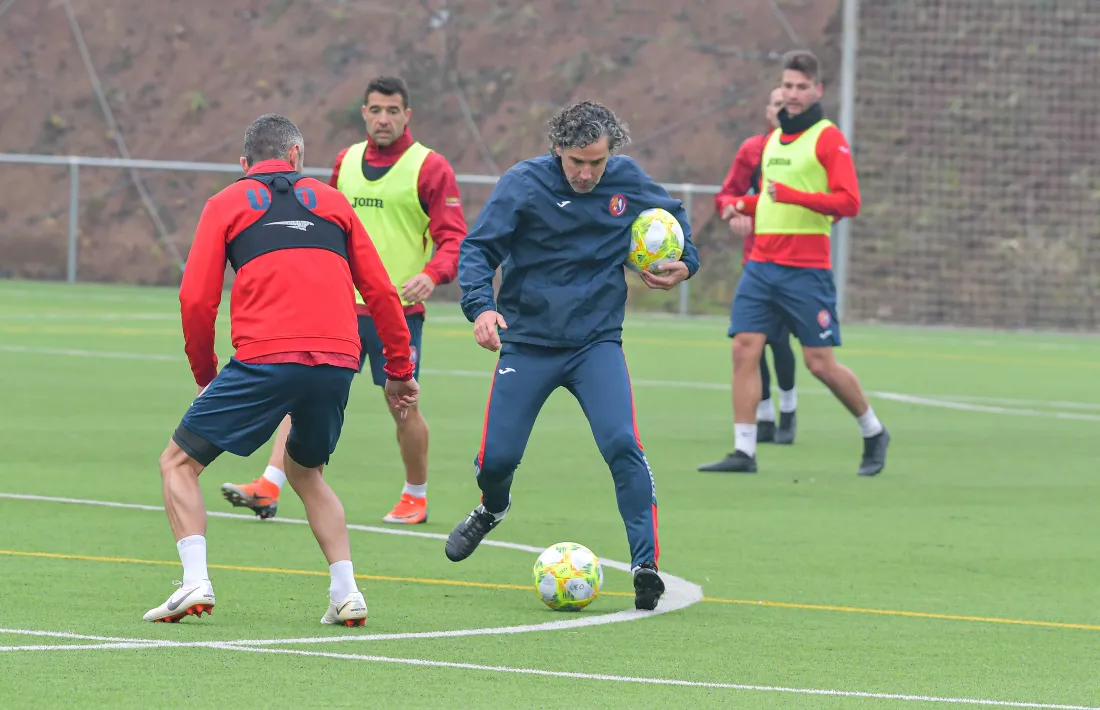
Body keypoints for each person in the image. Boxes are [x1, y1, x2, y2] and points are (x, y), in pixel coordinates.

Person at [145, 114, 419, 625]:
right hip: (337, 360)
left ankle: (195, 582)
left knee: (178, 464)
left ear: (244, 165)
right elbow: (381, 292)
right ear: (296, 157)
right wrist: (399, 368)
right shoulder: (334, 202)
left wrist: (206, 374)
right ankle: (347, 593)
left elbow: (196, 298)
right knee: (306, 472)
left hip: (265, 358)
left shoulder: (226, 203)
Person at [444, 101, 700, 612]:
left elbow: (672, 215)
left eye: (596, 163)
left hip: (595, 343)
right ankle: (493, 507)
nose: (587, 174)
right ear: (557, 149)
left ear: (611, 155)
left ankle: (644, 566)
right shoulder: (522, 184)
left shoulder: (625, 179)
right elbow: (477, 250)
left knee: (623, 443)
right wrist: (481, 308)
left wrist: (685, 263)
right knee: (496, 460)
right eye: (576, 162)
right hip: (528, 343)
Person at [220, 76, 466, 525]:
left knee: (402, 402)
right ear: (364, 113)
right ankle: (269, 485)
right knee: (301, 390)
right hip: (338, 310)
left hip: (397, 311)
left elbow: (452, 237)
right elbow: (317, 220)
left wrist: (432, 275)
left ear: (407, 115)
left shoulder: (429, 167)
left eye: (393, 111)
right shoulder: (345, 161)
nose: (384, 119)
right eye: (375, 110)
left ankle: (415, 495)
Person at [697, 50, 890, 475]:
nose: (794, 93)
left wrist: (795, 197)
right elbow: (769, 199)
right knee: (744, 348)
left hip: (807, 269)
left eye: (802, 87)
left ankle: (873, 430)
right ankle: (744, 450)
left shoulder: (827, 137)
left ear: (817, 90)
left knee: (819, 363)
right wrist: (739, 207)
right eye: (788, 86)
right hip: (762, 265)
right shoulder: (772, 142)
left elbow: (849, 201)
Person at [712, 86, 799, 447]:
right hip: (757, 258)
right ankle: (763, 413)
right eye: (776, 104)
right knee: (753, 339)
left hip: (794, 259)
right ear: (767, 111)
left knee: (780, 340)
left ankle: (789, 409)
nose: (782, 111)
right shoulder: (753, 150)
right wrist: (734, 212)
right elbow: (727, 195)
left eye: (788, 105)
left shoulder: (807, 151)